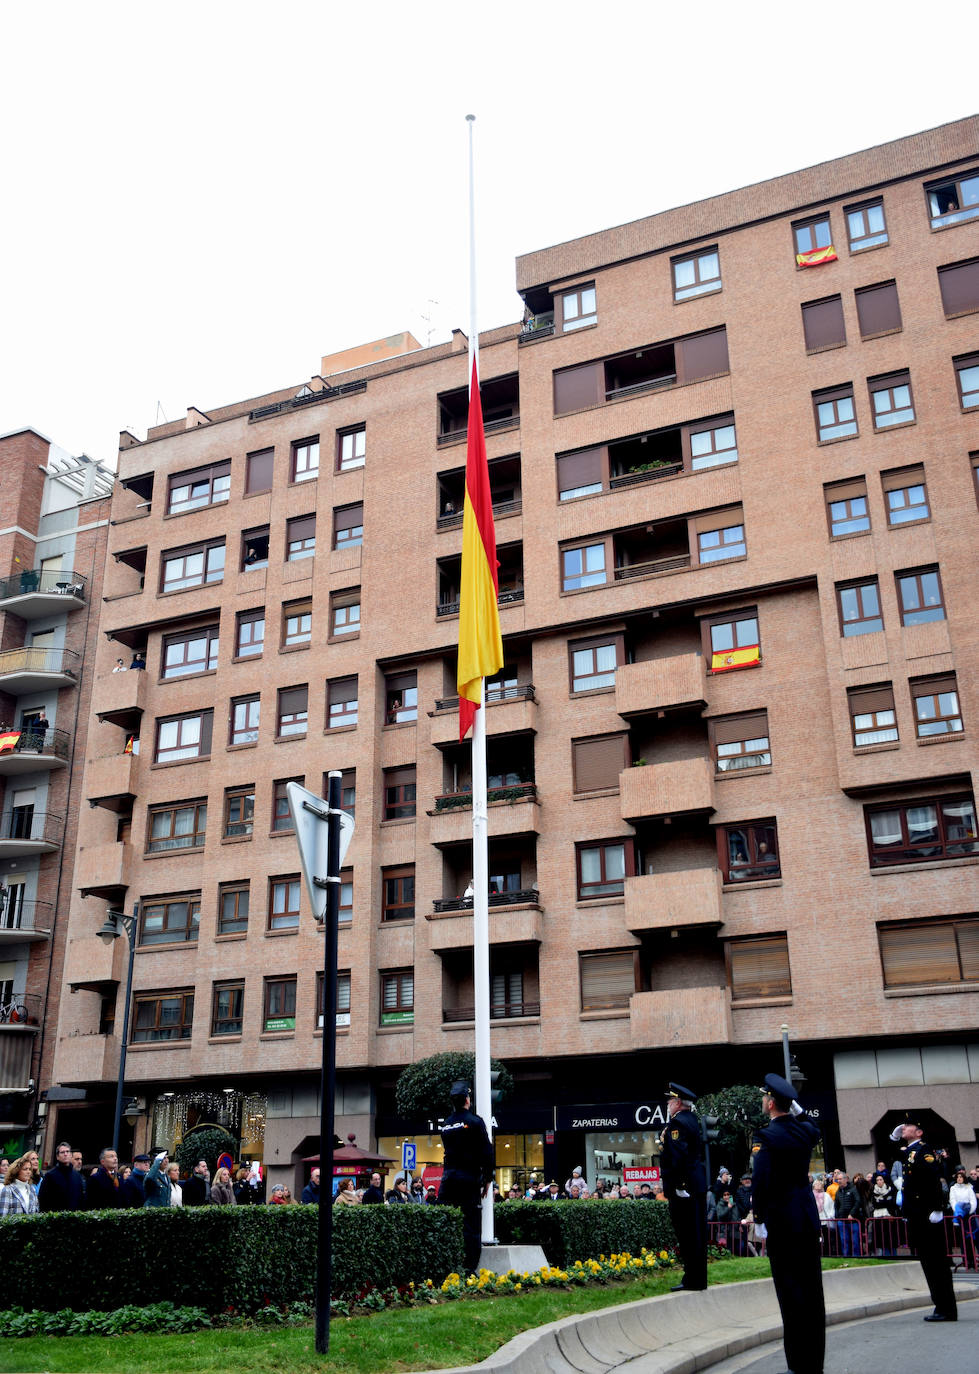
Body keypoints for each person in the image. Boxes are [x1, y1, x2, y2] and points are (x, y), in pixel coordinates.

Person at [750, 1073, 824, 1374]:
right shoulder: (804, 1132)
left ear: (770, 1104)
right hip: (806, 1218)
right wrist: (797, 1108)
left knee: (790, 1292)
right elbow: (813, 1127)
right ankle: (814, 1364)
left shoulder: (765, 1137)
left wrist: (760, 1217)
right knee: (812, 1292)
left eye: (764, 1098)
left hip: (781, 1220)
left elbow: (761, 1181)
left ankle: (798, 1364)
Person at [893, 1118, 956, 1321]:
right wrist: (894, 1136)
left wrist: (938, 1208)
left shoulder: (924, 1151)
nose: (904, 1128)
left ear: (919, 1132)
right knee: (928, 1262)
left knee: (936, 1262)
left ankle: (945, 1308)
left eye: (908, 1126)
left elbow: (934, 1180)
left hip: (927, 1214)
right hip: (917, 1214)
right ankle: (941, 1306)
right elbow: (901, 1155)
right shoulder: (912, 1151)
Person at [437, 1079, 494, 1275]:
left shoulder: (446, 1125)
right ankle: (470, 1268)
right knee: (470, 1224)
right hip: (468, 1180)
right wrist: (487, 1178)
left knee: (445, 1220)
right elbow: (486, 1153)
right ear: (468, 1100)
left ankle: (444, 1263)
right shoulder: (475, 1122)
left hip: (448, 1180)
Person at [660, 1081, 708, 1292]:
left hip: (684, 1188)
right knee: (696, 1234)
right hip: (695, 1184)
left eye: (670, 1100)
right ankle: (698, 1279)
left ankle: (691, 1280)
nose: (668, 1104)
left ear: (678, 1103)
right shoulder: (692, 1120)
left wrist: (679, 1185)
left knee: (687, 1235)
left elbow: (678, 1157)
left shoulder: (677, 1124)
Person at [38, 1141, 85, 1212]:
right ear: (57, 1156)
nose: (65, 1154)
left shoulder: (77, 1176)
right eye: (62, 1152)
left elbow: (81, 1198)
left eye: (67, 1152)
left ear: (71, 1155)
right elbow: (43, 1199)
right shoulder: (50, 1175)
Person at [834, 1172, 863, 1256]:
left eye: (840, 1179)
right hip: (842, 1220)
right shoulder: (838, 1192)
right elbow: (836, 1205)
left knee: (855, 1241)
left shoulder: (853, 1189)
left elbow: (858, 1202)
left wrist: (852, 1214)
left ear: (845, 1179)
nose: (838, 1181)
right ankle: (846, 1257)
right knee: (844, 1241)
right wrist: (837, 1217)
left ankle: (857, 1258)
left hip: (853, 1220)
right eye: (837, 1179)